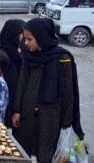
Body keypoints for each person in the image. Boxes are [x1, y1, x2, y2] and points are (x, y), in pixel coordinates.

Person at [11, 18, 84, 163]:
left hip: (51, 115)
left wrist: (66, 122)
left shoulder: (63, 57)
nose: (25, 43)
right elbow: (22, 83)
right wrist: (16, 110)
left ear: (42, 36)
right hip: (27, 111)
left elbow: (69, 91)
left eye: (29, 39)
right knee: (22, 150)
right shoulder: (28, 55)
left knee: (46, 152)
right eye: (25, 39)